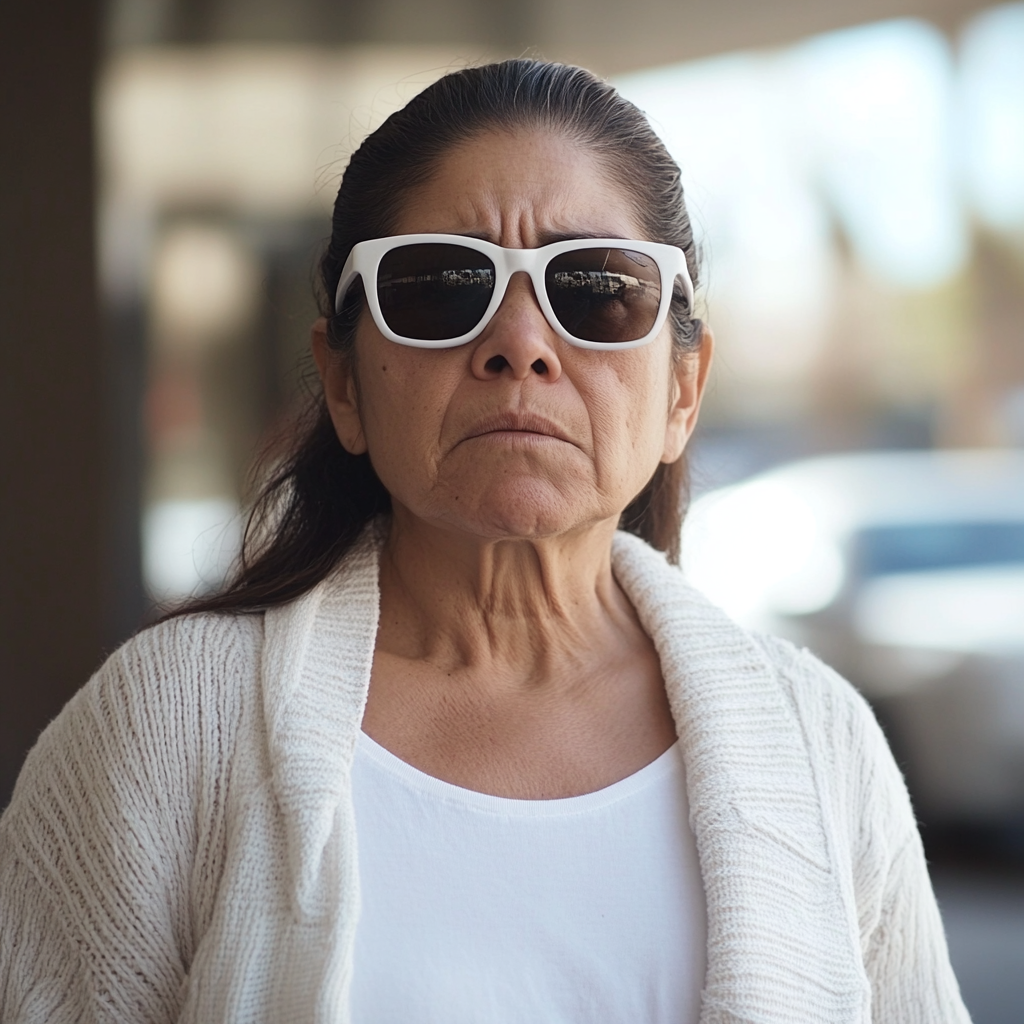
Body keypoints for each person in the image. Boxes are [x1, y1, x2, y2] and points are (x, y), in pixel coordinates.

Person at [0, 59, 969, 1024]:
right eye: (438, 288)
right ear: (343, 384)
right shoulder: (167, 728)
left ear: (682, 390)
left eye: (593, 289)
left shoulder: (821, 745)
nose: (520, 342)